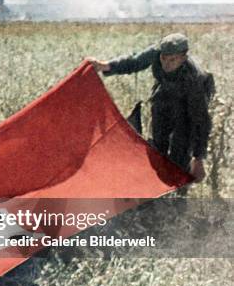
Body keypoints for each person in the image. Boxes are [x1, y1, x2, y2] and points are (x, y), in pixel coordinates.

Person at [87, 33, 212, 182]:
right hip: (164, 96)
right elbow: (134, 62)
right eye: (164, 58)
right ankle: (156, 188)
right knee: (158, 146)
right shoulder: (156, 52)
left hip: (187, 107)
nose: (166, 64)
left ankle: (177, 193)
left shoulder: (195, 78)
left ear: (183, 58)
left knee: (180, 151)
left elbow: (201, 121)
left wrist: (198, 159)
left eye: (173, 60)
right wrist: (104, 65)